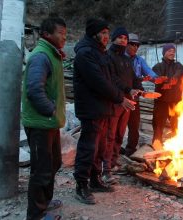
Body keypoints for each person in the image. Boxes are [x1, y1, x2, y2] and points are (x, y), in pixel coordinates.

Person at [73, 18, 135, 204]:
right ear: (94, 34)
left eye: (108, 33)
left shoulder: (100, 53)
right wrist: (120, 98)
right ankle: (81, 185)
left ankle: (95, 179)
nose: (107, 37)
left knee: (100, 147)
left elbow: (111, 80)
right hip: (91, 109)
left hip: (103, 108)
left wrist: (123, 93)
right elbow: (99, 82)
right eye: (104, 33)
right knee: (88, 148)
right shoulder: (85, 54)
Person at [22, 17, 67, 220]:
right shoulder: (41, 56)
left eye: (66, 34)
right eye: (61, 33)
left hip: (49, 123)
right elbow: (34, 89)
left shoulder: (52, 53)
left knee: (53, 163)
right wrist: (51, 110)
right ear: (47, 34)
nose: (64, 37)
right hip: (40, 123)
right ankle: (36, 215)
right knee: (41, 171)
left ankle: (45, 203)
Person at [102, 27, 143, 183]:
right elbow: (112, 79)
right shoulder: (109, 57)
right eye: (119, 37)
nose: (123, 41)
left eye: (125, 38)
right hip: (115, 102)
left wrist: (139, 88)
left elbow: (134, 77)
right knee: (110, 135)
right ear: (113, 39)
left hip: (127, 103)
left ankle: (113, 163)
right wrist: (128, 89)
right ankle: (105, 168)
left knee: (120, 135)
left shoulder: (126, 60)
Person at [124, 33, 164, 157]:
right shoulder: (120, 58)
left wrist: (156, 79)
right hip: (121, 97)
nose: (135, 47)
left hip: (134, 97)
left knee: (134, 125)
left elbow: (149, 72)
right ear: (126, 44)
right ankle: (112, 153)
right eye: (132, 44)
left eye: (137, 45)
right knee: (117, 127)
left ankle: (130, 151)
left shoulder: (139, 60)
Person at [152, 43, 183, 143]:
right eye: (169, 51)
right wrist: (165, 82)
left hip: (175, 101)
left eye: (173, 51)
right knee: (158, 126)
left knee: (176, 126)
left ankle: (177, 148)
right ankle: (156, 145)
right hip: (161, 101)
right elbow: (157, 79)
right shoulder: (157, 67)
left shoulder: (178, 65)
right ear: (164, 52)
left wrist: (171, 81)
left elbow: (178, 74)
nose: (172, 53)